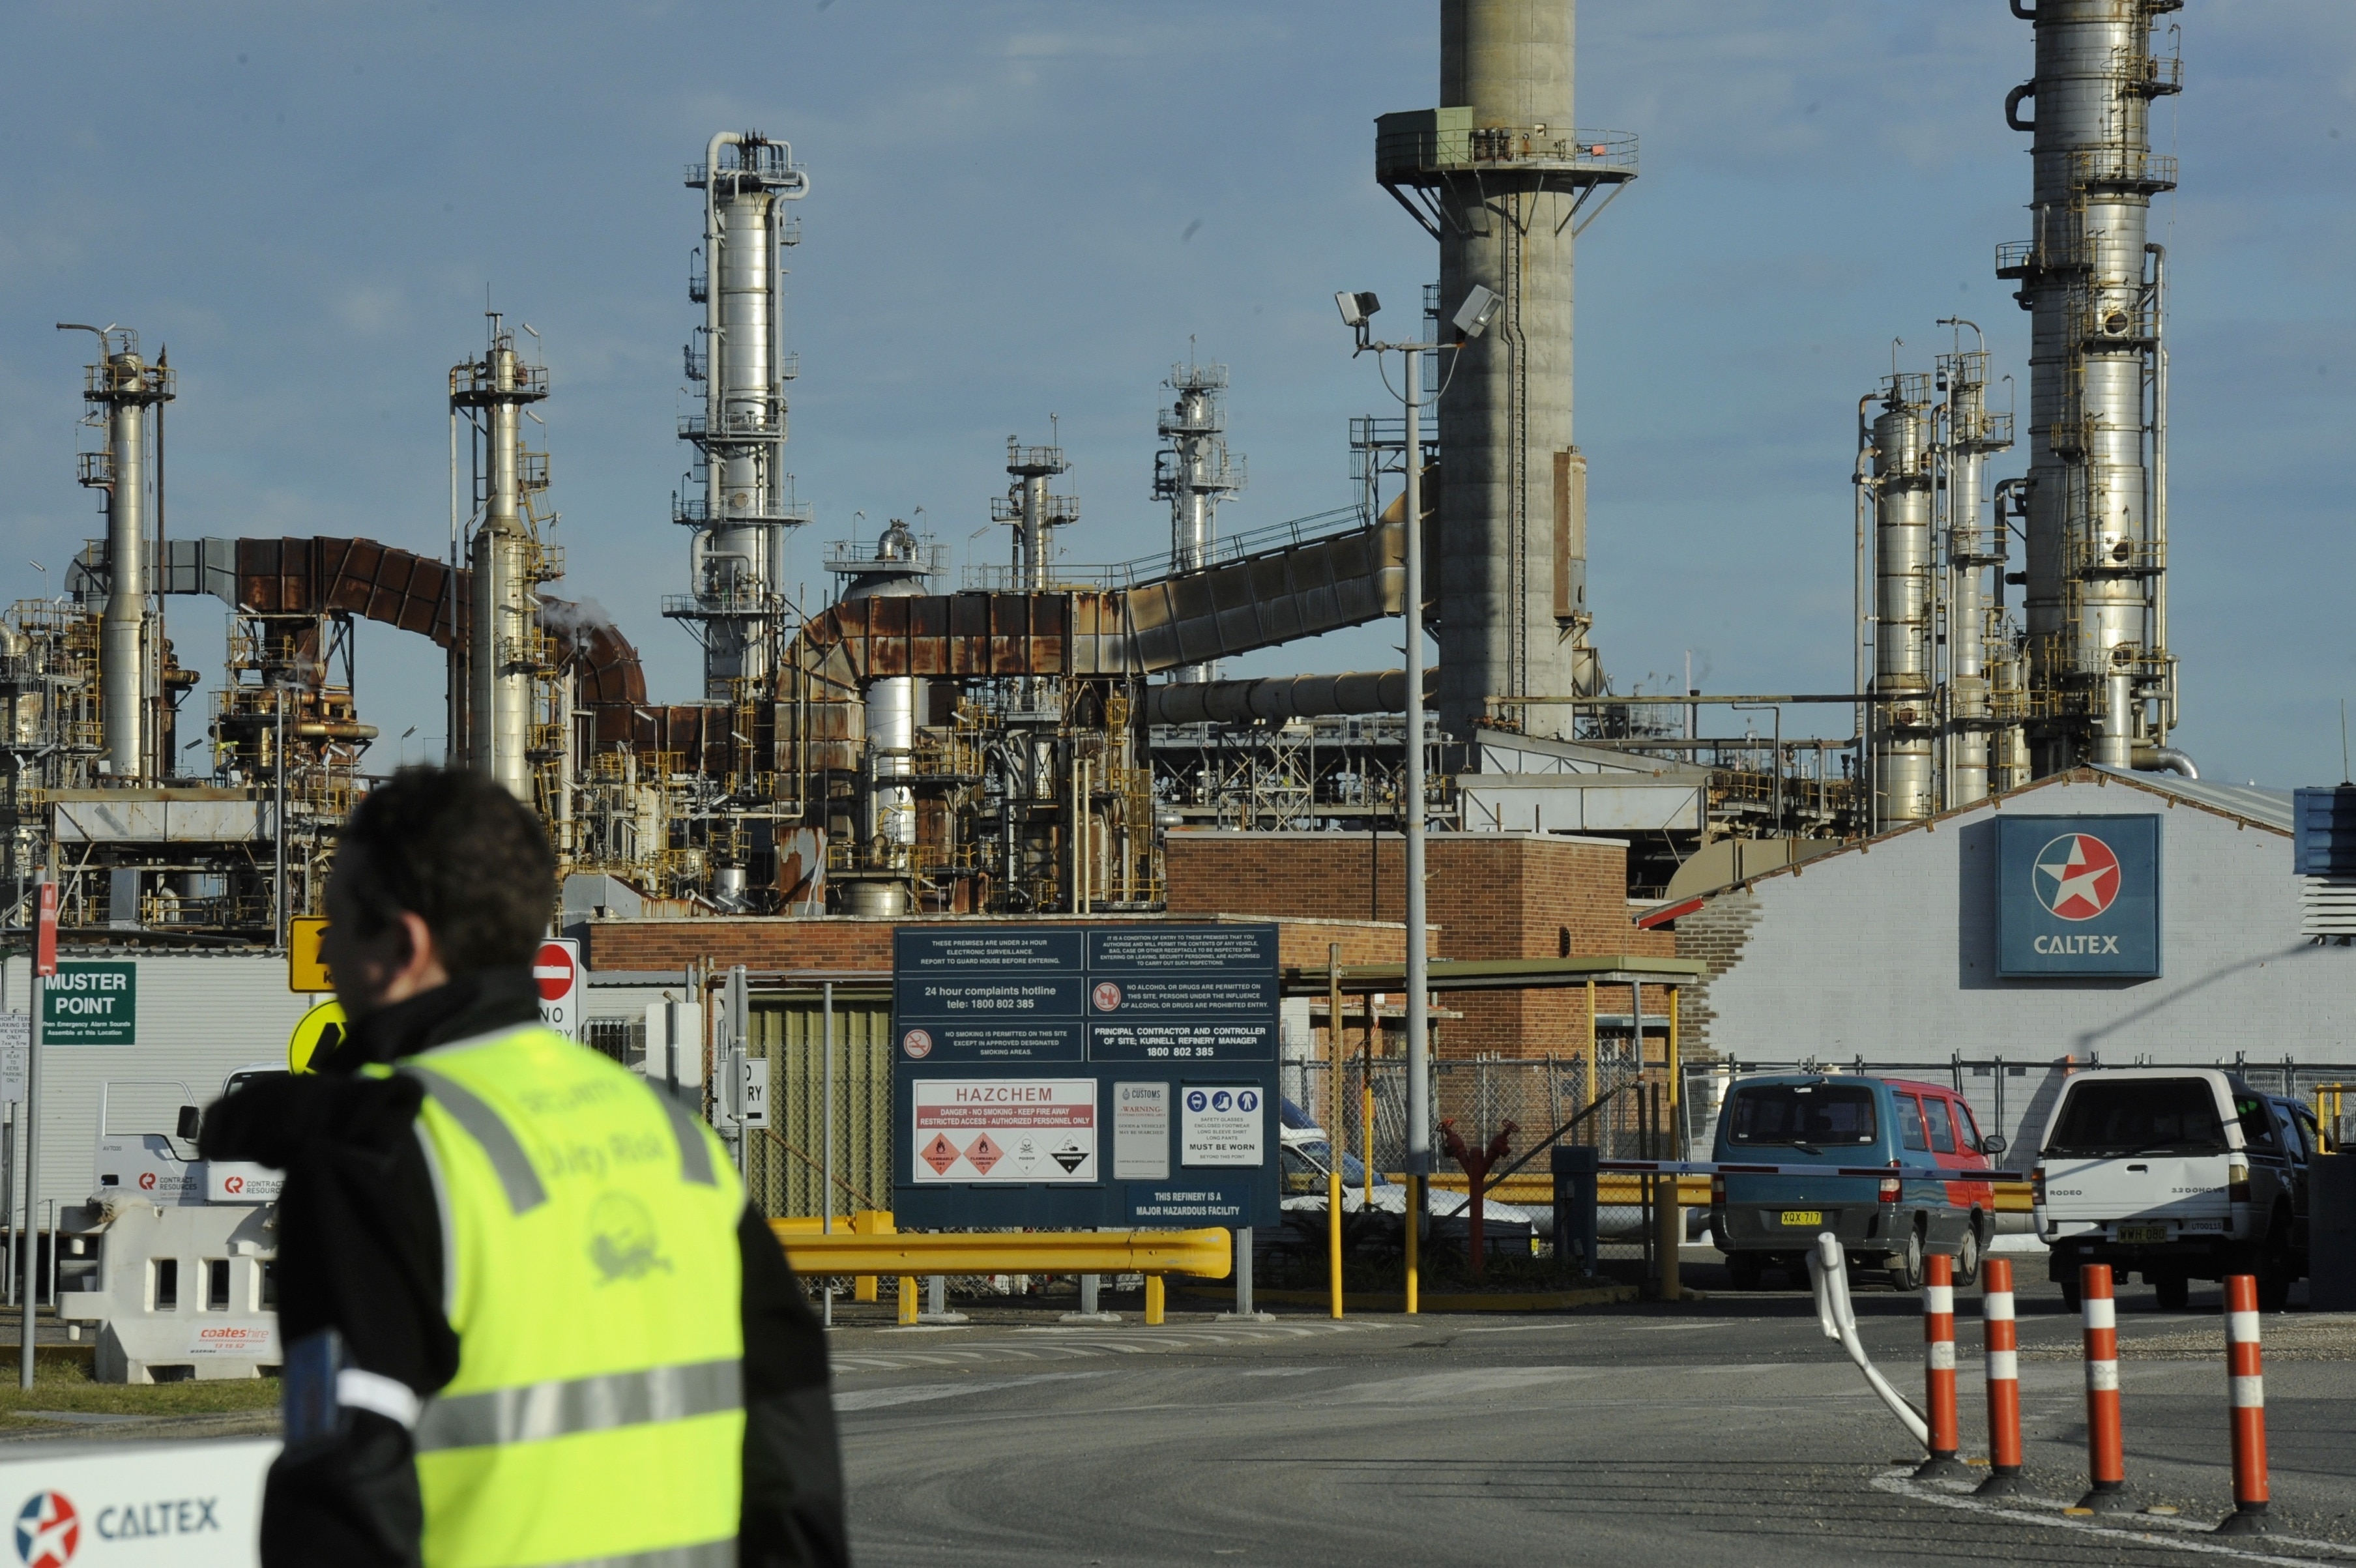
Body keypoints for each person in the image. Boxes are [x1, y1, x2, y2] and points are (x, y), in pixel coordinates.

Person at [201, 766, 848, 1567]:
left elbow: (345, 1486)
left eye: (337, 928)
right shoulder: (675, 1142)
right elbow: (794, 1433)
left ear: (403, 945)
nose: (326, 956)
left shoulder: (378, 1159)